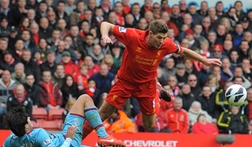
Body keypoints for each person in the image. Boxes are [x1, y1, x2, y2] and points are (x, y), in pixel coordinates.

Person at [82, 19, 222, 139]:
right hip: (125, 82)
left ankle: (157, 93)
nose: (162, 41)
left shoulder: (166, 44)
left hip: (147, 85)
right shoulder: (133, 36)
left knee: (148, 124)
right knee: (103, 113)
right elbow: (106, 24)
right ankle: (75, 141)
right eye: (159, 37)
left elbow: (184, 51)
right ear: (150, 33)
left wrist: (204, 60)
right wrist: (105, 35)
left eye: (164, 37)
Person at [0, 94, 126, 147]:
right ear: (26, 126)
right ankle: (103, 135)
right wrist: (69, 139)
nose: (31, 121)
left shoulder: (11, 141)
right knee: (84, 98)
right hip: (67, 143)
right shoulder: (38, 133)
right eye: (29, 120)